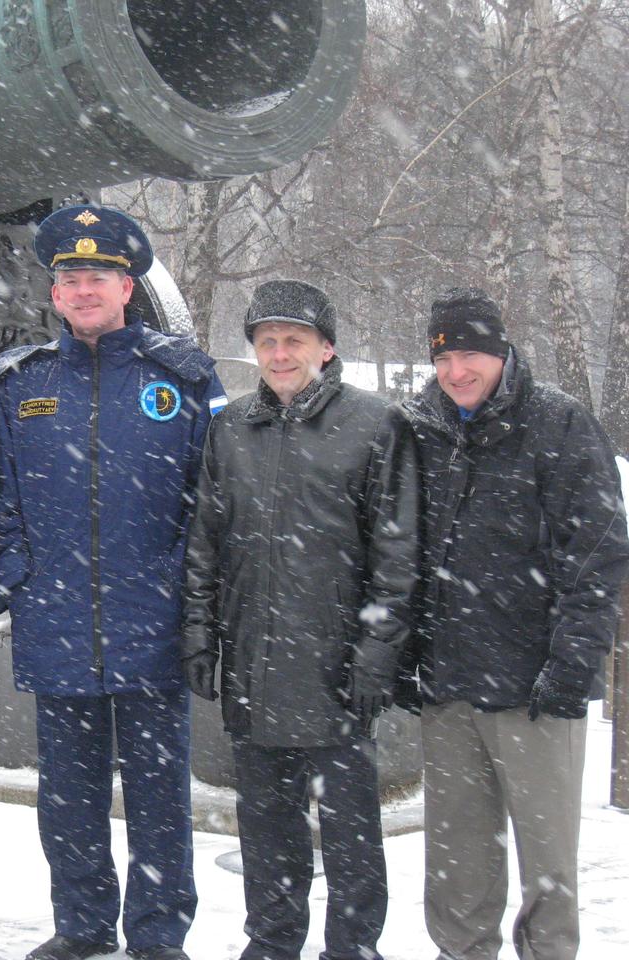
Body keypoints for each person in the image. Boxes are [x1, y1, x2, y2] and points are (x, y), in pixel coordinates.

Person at [0, 205, 227, 960]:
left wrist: (187, 596)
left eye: (98, 277)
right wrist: (20, 574)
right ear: (54, 294)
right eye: (70, 279)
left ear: (127, 287)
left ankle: (159, 933)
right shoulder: (21, 384)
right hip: (56, 619)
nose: (83, 290)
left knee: (159, 796)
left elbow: (214, 498)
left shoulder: (181, 379)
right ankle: (82, 923)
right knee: (68, 796)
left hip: (151, 621)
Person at [181, 280, 418, 960]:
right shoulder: (230, 428)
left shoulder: (374, 425)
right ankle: (274, 938)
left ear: (326, 347)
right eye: (267, 341)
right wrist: (199, 631)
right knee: (265, 819)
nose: (280, 354)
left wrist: (378, 650)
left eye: (295, 340)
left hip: (337, 663)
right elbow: (206, 541)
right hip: (252, 657)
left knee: (348, 824)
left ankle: (352, 944)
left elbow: (397, 552)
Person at [399, 287, 629, 960]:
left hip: (536, 689)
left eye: (470, 354)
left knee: (547, 863)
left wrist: (572, 662)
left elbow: (597, 553)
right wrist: (409, 651)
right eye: (443, 358)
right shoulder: (420, 428)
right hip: (449, 687)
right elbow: (402, 546)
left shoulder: (558, 425)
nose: (456, 372)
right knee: (458, 862)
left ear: (500, 351)